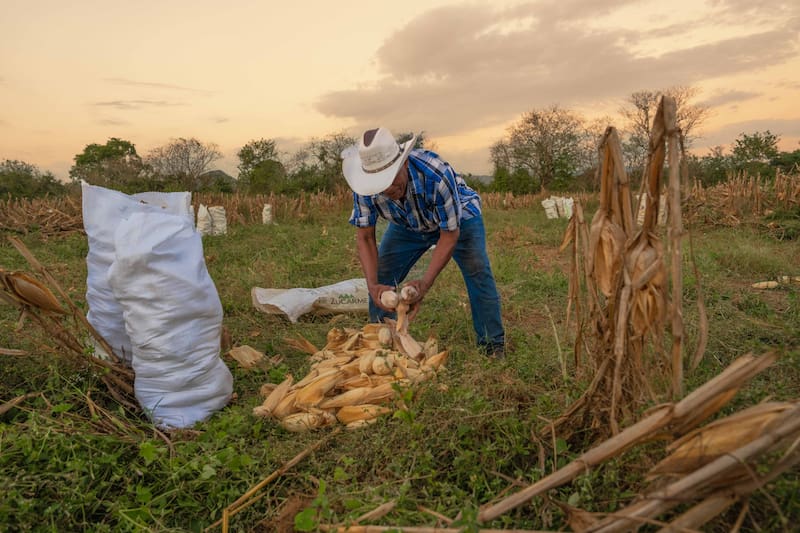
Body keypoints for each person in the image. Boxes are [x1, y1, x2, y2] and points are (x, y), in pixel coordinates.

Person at [341, 127, 505, 358]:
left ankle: (492, 344)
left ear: (405, 163)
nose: (388, 189)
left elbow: (449, 235)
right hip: (406, 224)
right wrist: (373, 286)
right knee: (383, 272)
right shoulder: (365, 188)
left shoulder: (436, 174)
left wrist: (425, 284)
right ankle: (378, 339)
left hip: (460, 219)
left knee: (477, 270)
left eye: (392, 181)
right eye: (381, 184)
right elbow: (365, 237)